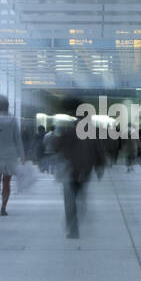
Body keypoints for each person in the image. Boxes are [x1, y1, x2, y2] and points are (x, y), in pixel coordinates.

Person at [50, 96, 101, 239]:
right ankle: (74, 223)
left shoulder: (68, 129)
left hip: (72, 169)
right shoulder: (91, 130)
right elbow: (98, 148)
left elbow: (58, 146)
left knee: (70, 200)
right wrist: (99, 164)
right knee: (80, 197)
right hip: (84, 169)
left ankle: (73, 227)